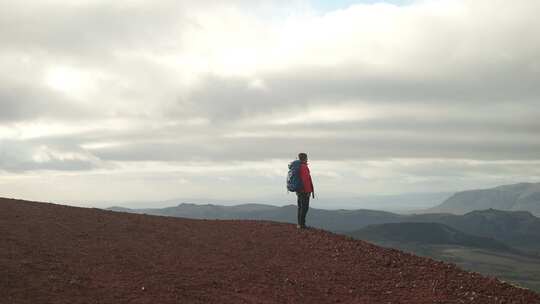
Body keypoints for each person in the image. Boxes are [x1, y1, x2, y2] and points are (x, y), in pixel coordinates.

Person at [296, 152, 314, 229]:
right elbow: (305, 180)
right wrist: (308, 191)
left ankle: (299, 224)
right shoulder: (303, 167)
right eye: (306, 158)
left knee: (300, 207)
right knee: (304, 208)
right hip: (304, 191)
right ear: (305, 158)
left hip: (299, 190)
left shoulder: (298, 166)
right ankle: (302, 225)